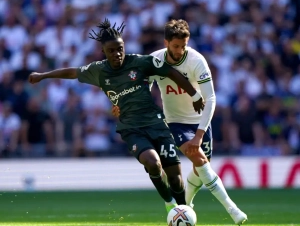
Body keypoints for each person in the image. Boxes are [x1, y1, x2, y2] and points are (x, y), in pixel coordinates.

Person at [28, 19, 205, 213]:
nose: (117, 53)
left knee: (176, 178)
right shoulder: (98, 70)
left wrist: (194, 94)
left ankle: (184, 210)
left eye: (120, 48)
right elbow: (72, 72)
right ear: (103, 52)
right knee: (153, 163)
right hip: (131, 128)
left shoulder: (140, 62)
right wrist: (43, 75)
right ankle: (170, 204)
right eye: (111, 50)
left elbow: (171, 72)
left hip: (156, 124)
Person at [112, 19, 247, 225]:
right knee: (199, 160)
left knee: (200, 171)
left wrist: (200, 133)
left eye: (184, 45)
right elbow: (141, 89)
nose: (180, 50)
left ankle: (185, 207)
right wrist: (125, 105)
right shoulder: (155, 60)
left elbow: (210, 98)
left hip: (201, 122)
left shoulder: (196, 61)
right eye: (176, 46)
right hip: (175, 122)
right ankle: (233, 209)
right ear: (166, 43)